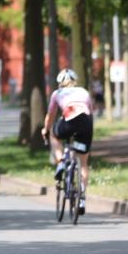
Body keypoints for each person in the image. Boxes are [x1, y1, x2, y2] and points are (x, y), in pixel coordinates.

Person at [42, 68, 94, 215]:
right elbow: (90, 112)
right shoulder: (84, 92)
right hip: (85, 123)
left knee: (54, 134)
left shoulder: (57, 93)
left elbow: (50, 116)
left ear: (60, 83)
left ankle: (61, 162)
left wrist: (46, 130)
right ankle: (82, 199)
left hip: (69, 120)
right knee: (83, 163)